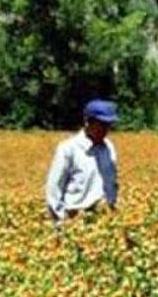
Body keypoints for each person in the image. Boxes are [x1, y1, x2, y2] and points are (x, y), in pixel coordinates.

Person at [45, 99, 119, 230]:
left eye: (108, 125)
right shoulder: (69, 149)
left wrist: (112, 208)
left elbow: (112, 182)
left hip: (104, 217)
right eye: (101, 124)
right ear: (88, 122)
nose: (105, 129)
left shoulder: (108, 148)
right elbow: (54, 188)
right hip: (75, 217)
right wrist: (61, 221)